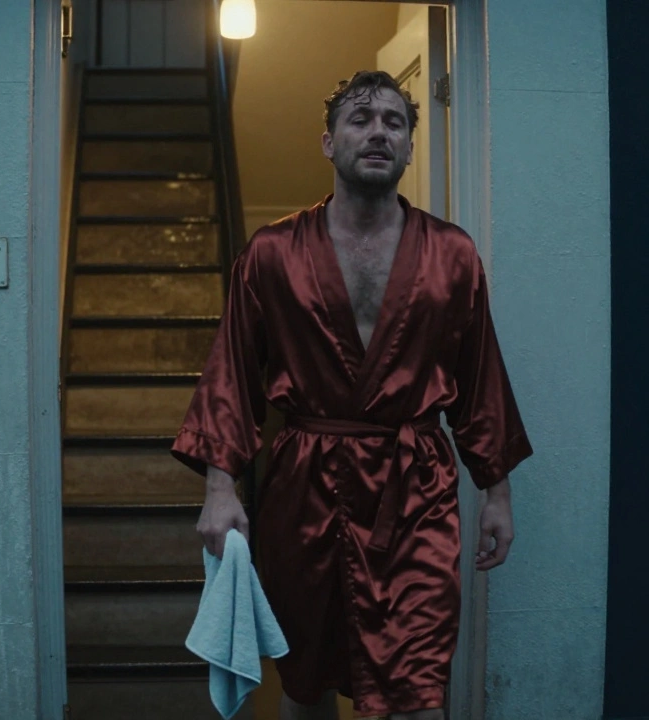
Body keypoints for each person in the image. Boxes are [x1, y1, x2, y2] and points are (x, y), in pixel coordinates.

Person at [170, 71, 533, 720]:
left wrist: (497, 494)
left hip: (415, 492)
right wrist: (220, 491)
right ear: (328, 142)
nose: (378, 132)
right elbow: (231, 375)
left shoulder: (451, 254)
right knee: (306, 681)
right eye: (360, 120)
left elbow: (480, 380)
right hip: (305, 488)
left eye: (394, 122)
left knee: (418, 689)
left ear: (410, 147)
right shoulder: (272, 253)